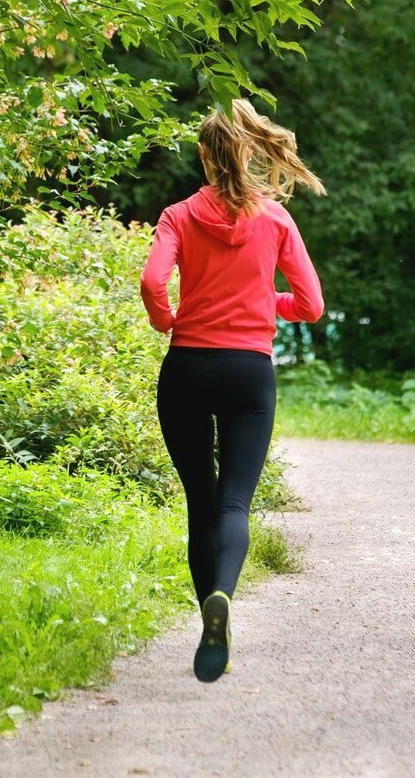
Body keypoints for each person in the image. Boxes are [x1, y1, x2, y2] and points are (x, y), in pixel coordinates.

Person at [139, 98, 326, 683]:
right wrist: (265, 304)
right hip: (249, 372)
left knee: (201, 498)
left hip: (188, 368)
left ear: (203, 155)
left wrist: (165, 318)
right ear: (246, 152)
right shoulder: (275, 220)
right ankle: (224, 593)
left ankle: (207, 617)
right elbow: (313, 305)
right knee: (234, 500)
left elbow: (152, 281)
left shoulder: (177, 215)